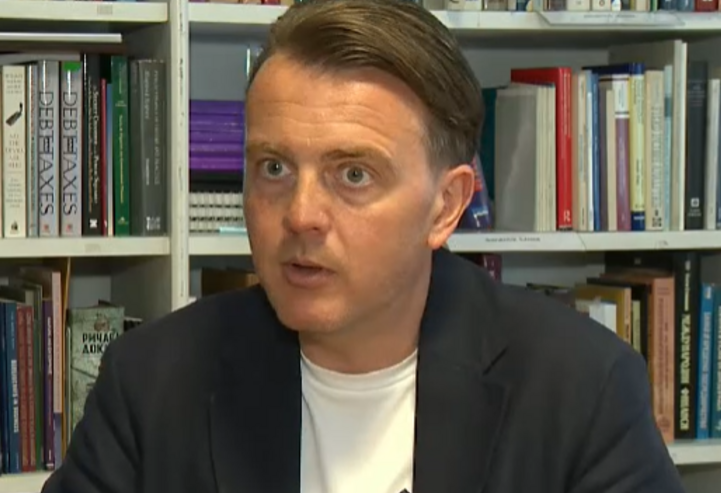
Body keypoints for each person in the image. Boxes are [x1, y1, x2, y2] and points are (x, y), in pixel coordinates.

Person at [41, 0, 685, 491]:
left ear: (446, 206)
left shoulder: (581, 390)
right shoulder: (153, 381)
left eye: (353, 174)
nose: (301, 215)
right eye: (273, 168)